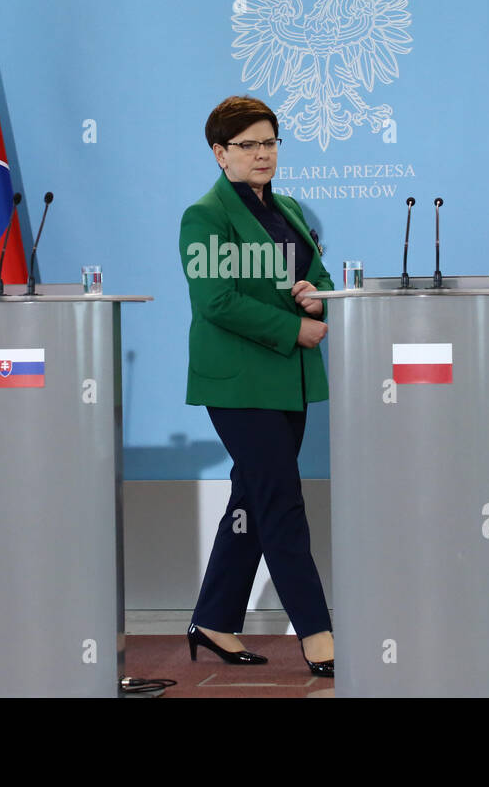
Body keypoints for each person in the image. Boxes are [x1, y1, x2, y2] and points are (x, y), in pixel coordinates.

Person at [179, 95, 334, 676]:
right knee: (280, 501)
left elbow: (316, 276)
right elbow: (215, 301)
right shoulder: (205, 216)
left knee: (252, 497)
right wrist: (296, 327)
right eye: (248, 145)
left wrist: (317, 297)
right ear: (220, 154)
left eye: (269, 142)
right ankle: (317, 633)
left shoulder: (289, 207)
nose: (263, 154)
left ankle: (214, 619)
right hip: (239, 381)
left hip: (287, 381)